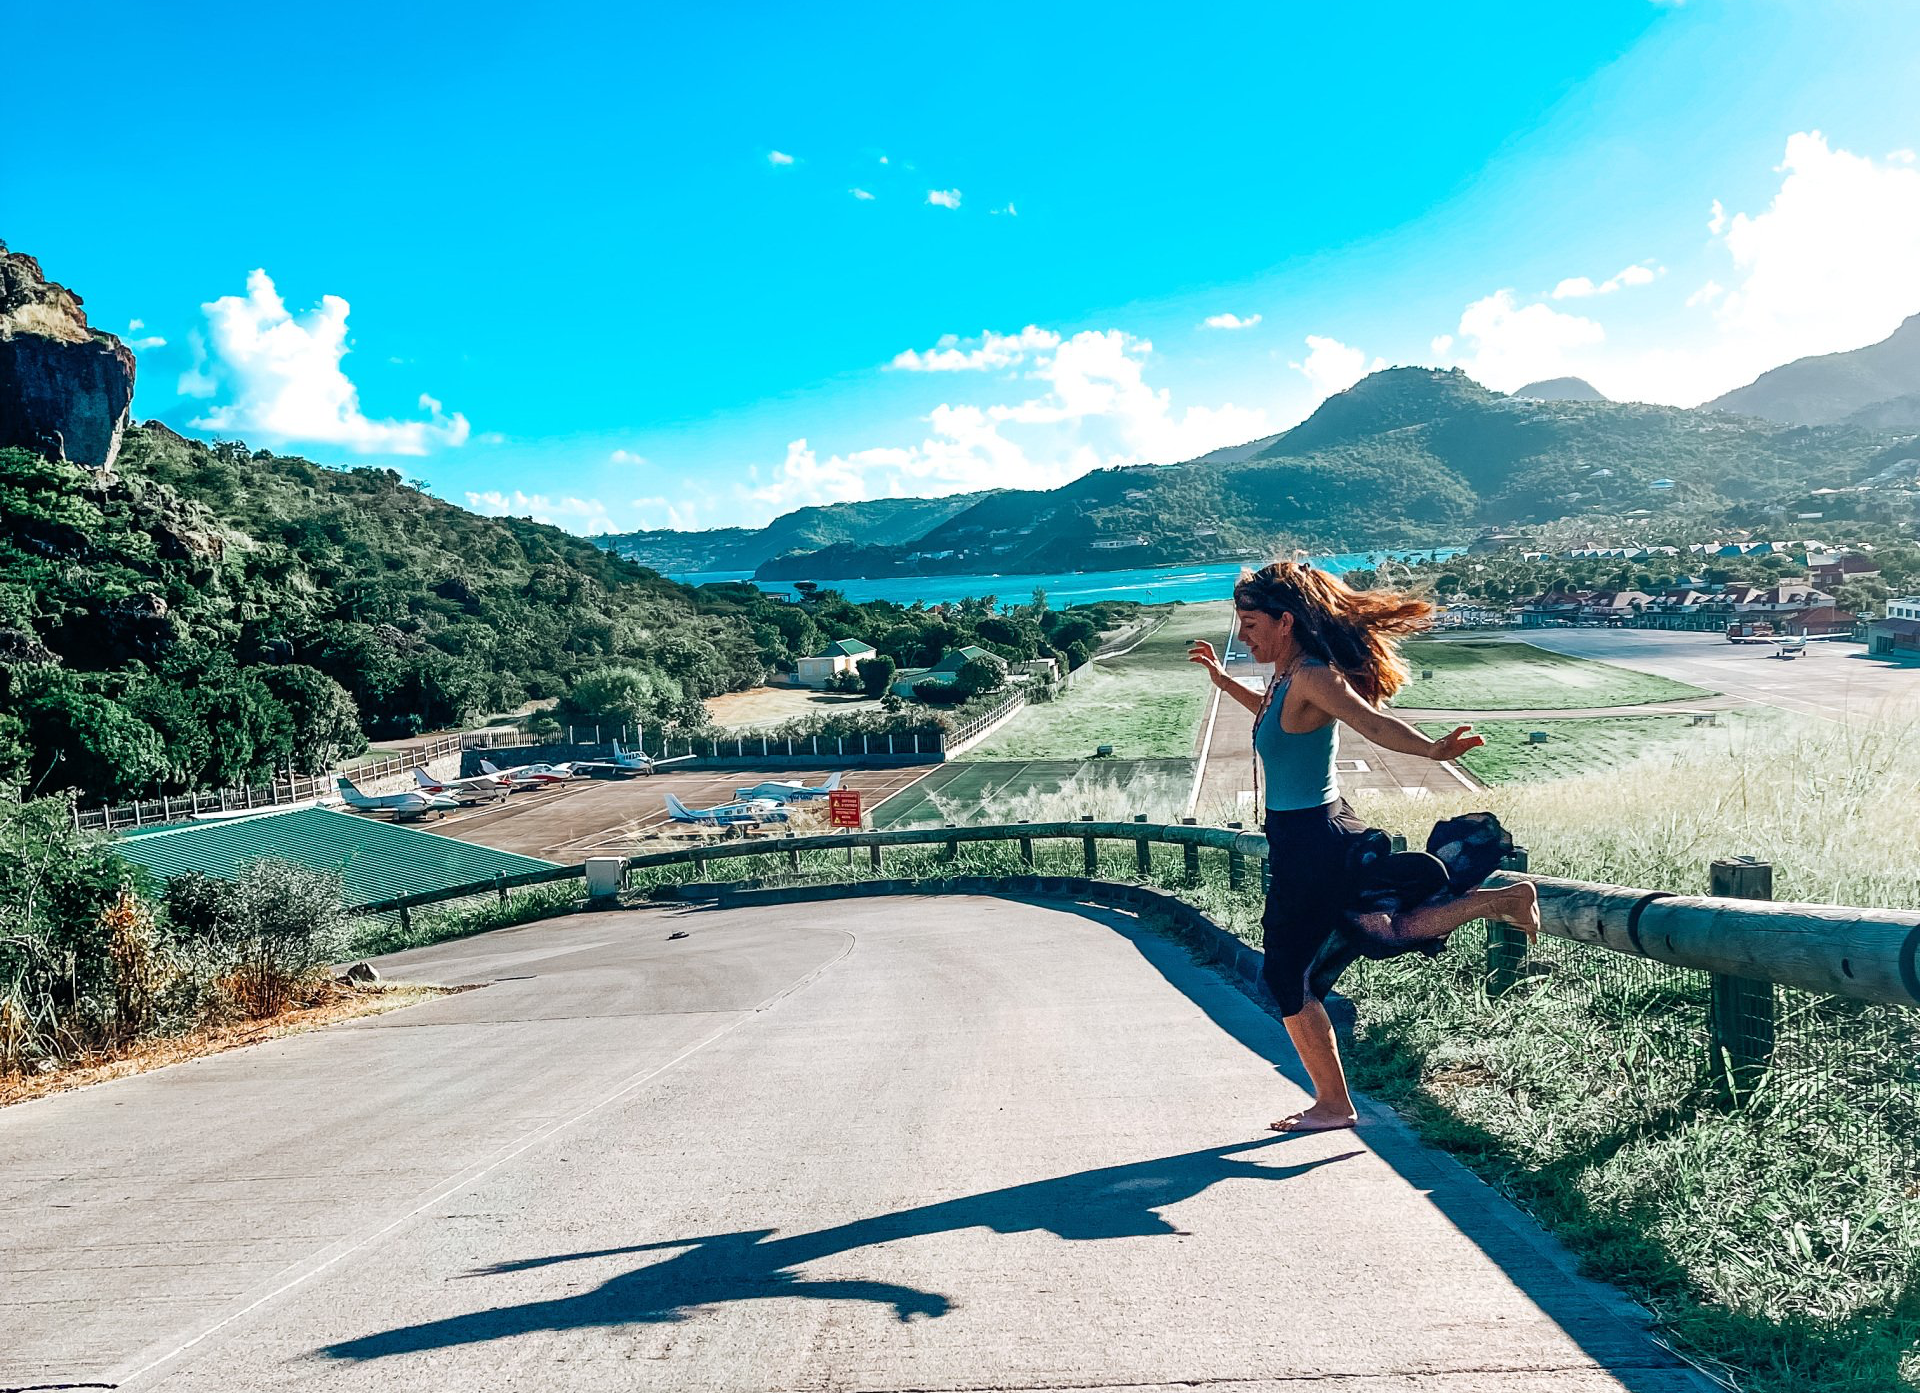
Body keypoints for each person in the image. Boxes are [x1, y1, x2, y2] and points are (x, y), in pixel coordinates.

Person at [1188, 561, 1540, 1134]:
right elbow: (1275, 723)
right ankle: (1500, 900)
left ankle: (1333, 1104)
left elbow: (1371, 723)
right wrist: (1222, 681)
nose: (1243, 635)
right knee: (1378, 932)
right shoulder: (1286, 677)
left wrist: (1432, 751)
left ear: (1284, 621)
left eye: (1250, 624)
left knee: (1285, 977)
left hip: (1314, 843)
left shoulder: (1312, 675)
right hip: (1310, 836)